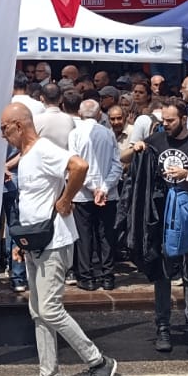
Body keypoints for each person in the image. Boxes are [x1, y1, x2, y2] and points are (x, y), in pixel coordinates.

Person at [0, 102, 118, 376]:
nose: (3, 135)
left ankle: (98, 361)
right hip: (36, 241)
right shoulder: (26, 157)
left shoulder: (42, 150)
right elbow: (31, 200)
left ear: (19, 125)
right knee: (38, 311)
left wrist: (66, 200)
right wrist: (20, 241)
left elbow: (78, 166)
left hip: (54, 242)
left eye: (4, 128)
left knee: (50, 310)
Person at [131, 101, 188, 353]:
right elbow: (123, 159)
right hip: (161, 219)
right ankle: (163, 326)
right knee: (162, 275)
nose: (166, 124)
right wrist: (138, 148)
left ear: (184, 118)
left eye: (171, 120)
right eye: (164, 120)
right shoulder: (156, 140)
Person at [69, 98, 120, 291]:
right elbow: (117, 165)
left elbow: (74, 165)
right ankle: (107, 276)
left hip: (83, 193)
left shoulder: (74, 134)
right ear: (99, 115)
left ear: (81, 114)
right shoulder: (108, 134)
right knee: (106, 235)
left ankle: (86, 276)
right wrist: (104, 187)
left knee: (84, 236)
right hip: (107, 192)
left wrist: (92, 187)